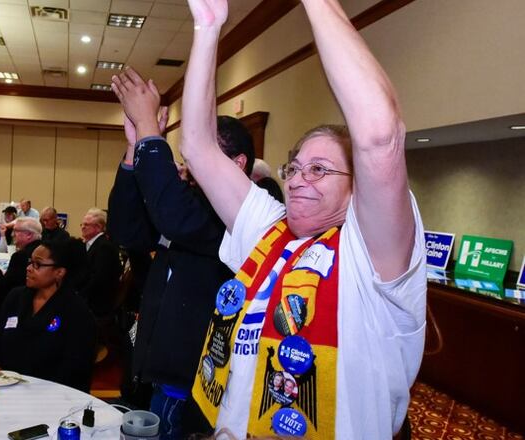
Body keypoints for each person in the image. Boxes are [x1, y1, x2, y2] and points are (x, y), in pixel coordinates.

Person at [137, 0, 426, 438]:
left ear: (356, 192)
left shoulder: (372, 256)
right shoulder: (270, 231)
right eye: (294, 168)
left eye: (320, 169)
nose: (297, 180)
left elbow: (380, 135)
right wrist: (208, 28)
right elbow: (197, 146)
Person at [108, 70, 253, 438]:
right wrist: (133, 148)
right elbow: (128, 231)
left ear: (237, 163)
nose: (193, 163)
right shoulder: (190, 203)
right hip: (154, 369)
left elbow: (175, 218)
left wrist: (149, 132)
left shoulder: (237, 217)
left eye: (205, 153)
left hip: (191, 386)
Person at [0, 239, 96, 392]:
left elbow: (75, 368)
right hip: (7, 388)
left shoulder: (76, 311)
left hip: (52, 395)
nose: (29, 268)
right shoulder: (15, 297)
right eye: (30, 262)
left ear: (59, 272)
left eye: (37, 264)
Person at [79, 208, 122, 317]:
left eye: (87, 225)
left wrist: (79, 294)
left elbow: (99, 279)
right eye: (82, 224)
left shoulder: (104, 247)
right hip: (90, 299)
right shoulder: (92, 245)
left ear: (98, 227)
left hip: (97, 304)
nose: (83, 227)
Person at [3, 218, 43, 291]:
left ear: (29, 235)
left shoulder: (19, 256)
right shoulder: (48, 252)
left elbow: (6, 286)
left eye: (15, 231)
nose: (12, 234)